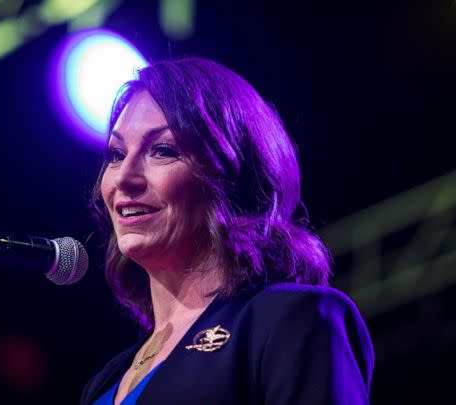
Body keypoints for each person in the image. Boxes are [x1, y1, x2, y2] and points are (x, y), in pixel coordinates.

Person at [81, 57, 374, 405]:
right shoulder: (104, 383)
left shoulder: (292, 321)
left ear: (230, 173)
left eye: (162, 150)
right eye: (115, 154)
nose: (122, 179)